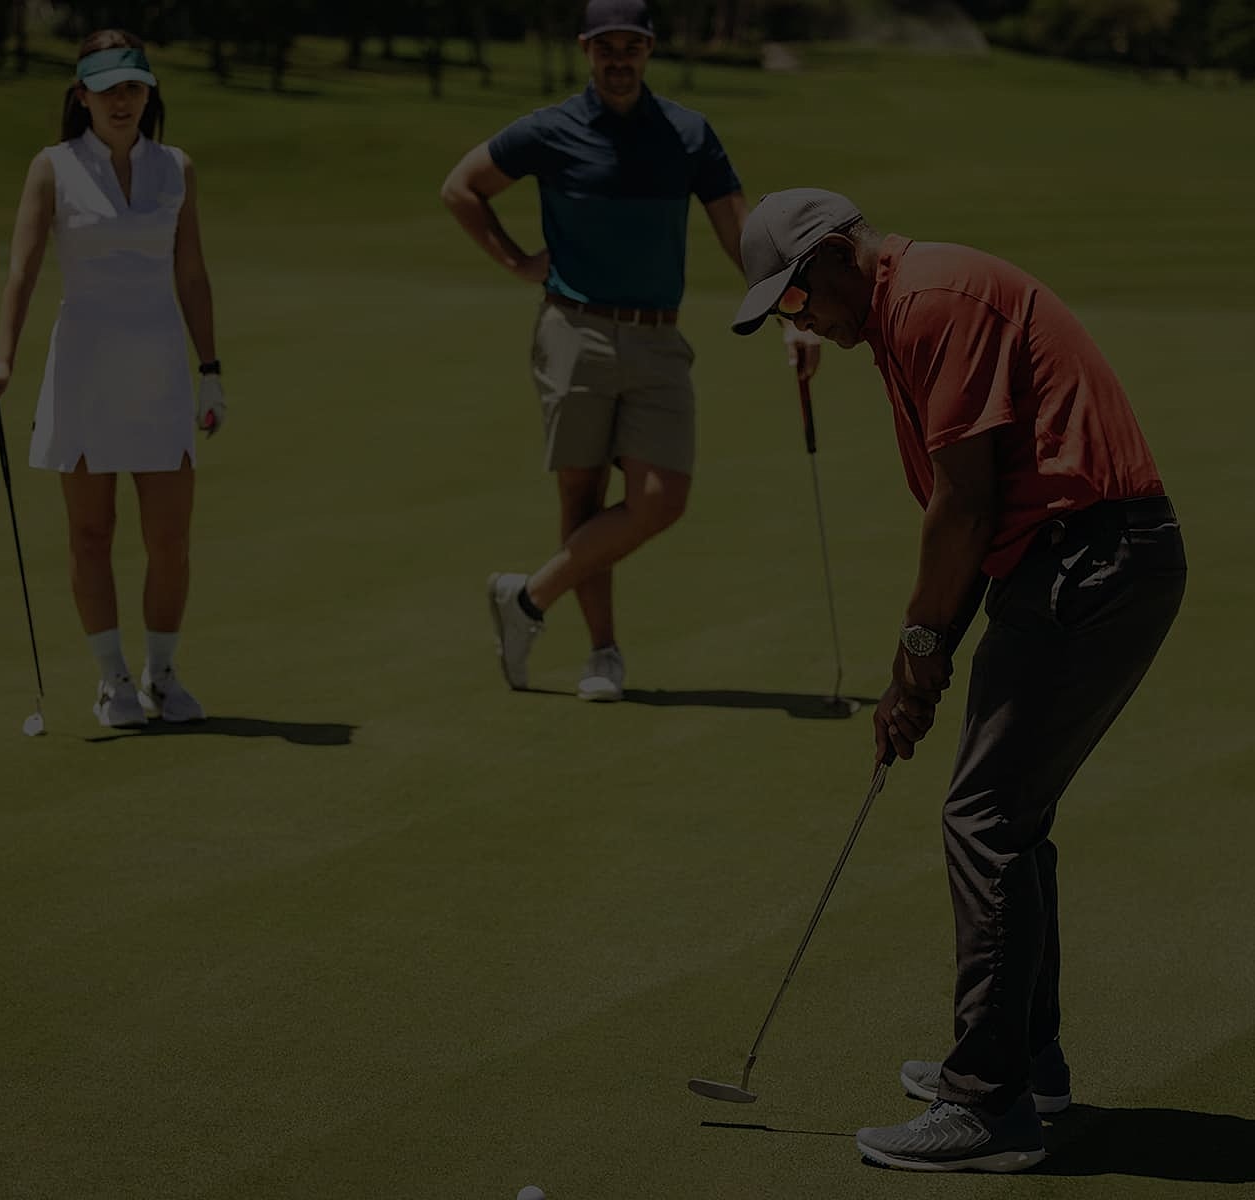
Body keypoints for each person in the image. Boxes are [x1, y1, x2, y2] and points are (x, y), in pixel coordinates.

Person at [730, 188, 1188, 1173]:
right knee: (1009, 817)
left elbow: (962, 507)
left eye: (800, 299)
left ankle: (988, 1107)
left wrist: (916, 665)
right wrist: (918, 678)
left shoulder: (931, 299)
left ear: (840, 255)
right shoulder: (898, 315)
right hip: (1064, 563)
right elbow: (977, 529)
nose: (804, 321)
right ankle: (1028, 1063)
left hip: (1089, 562)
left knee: (983, 819)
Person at [440, 0, 822, 701]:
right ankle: (603, 656)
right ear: (587, 49)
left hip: (657, 335)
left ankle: (527, 597)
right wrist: (516, 260)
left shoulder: (687, 134)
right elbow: (461, 187)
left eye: (632, 46)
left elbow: (740, 233)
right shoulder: (551, 129)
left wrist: (790, 319)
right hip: (573, 330)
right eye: (606, 46)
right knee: (580, 495)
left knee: (661, 497)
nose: (619, 59)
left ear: (650, 50)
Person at [0, 30, 228, 730]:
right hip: (83, 365)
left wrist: (211, 371)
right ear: (80, 94)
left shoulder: (176, 167)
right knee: (91, 533)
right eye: (109, 88)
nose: (123, 100)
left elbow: (193, 273)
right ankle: (112, 679)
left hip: (159, 370)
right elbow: (22, 270)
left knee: (169, 539)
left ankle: (163, 674)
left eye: (135, 87)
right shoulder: (52, 168)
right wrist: (3, 360)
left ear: (149, 94)